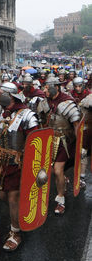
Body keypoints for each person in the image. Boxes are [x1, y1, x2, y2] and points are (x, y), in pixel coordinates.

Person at [0, 82, 38, 251]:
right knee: (2, 195)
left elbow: (35, 140)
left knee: (12, 197)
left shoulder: (27, 115)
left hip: (18, 164)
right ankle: (20, 215)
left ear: (10, 96)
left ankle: (16, 232)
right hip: (2, 162)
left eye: (0, 93)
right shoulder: (2, 112)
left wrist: (31, 164)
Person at [44, 76, 81, 213]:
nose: (45, 90)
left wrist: (80, 147)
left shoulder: (67, 102)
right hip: (50, 141)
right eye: (45, 87)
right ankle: (62, 181)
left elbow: (77, 125)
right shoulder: (45, 102)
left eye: (48, 87)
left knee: (58, 170)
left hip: (65, 142)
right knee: (53, 170)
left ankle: (61, 199)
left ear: (56, 88)